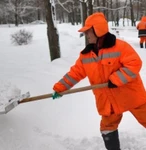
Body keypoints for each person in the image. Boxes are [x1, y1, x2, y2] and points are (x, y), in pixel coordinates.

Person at [52, 12, 146, 150]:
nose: (86, 35)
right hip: (108, 102)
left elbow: (134, 63)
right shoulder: (86, 55)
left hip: (131, 96)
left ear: (98, 30)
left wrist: (116, 79)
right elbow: (75, 73)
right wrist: (60, 88)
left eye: (88, 32)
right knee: (107, 128)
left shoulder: (120, 47)